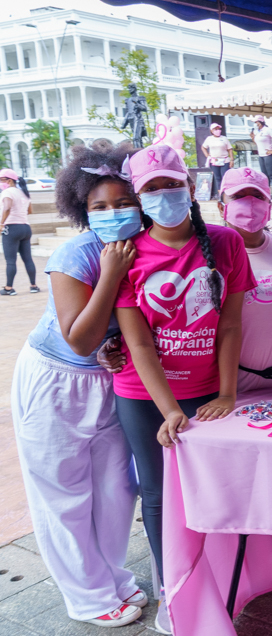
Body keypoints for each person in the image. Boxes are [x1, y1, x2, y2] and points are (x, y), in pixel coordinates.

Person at [113, 144, 255, 634]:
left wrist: (229, 394)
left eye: (171, 184)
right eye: (151, 188)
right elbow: (138, 344)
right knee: (158, 495)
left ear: (191, 188)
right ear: (138, 197)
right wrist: (170, 409)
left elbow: (232, 326)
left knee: (216, 491)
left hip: (209, 394)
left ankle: (218, 582)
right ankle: (173, 592)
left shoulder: (226, 243)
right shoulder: (129, 254)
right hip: (144, 396)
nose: (163, 195)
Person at [11, 142, 145, 628]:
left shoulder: (147, 248)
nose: (113, 214)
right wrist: (111, 274)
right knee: (63, 495)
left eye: (124, 202)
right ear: (81, 210)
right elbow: (80, 336)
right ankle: (87, 597)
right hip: (54, 382)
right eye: (99, 207)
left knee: (115, 489)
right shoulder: (76, 254)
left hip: (108, 383)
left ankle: (112, 577)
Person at [217, 167, 272, 393]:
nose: (249, 204)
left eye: (258, 196)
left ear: (269, 206)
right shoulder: (209, 257)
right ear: (221, 207)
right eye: (238, 197)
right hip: (228, 387)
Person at [1, 168, 38, 295]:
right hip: (25, 228)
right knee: (28, 258)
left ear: (9, 180)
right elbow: (30, 211)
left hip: (11, 228)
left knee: (10, 260)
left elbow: (7, 208)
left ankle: (8, 288)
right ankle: (33, 286)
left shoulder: (7, 192)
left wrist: (1, 223)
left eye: (1, 180)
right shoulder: (24, 193)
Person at [200, 123, 233, 194]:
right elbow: (203, 147)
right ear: (212, 131)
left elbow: (230, 149)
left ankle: (227, 193)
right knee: (218, 178)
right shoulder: (209, 139)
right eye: (215, 129)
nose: (218, 131)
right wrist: (207, 155)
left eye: (219, 129)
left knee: (225, 177)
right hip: (214, 160)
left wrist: (232, 160)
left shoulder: (224, 138)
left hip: (224, 160)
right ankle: (220, 194)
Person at [250, 115, 272, 195]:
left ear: (260, 122)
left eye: (256, 122)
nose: (255, 124)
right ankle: (266, 192)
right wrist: (253, 138)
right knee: (264, 175)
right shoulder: (257, 132)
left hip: (268, 155)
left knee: (271, 175)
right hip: (261, 155)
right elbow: (259, 144)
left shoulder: (267, 130)